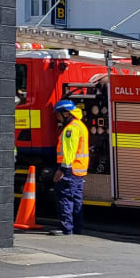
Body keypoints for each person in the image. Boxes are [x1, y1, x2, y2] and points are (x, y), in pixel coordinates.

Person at [49, 100, 89, 236]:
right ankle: (76, 228)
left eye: (58, 115)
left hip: (69, 170)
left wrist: (62, 170)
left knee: (64, 198)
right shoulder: (80, 125)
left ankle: (66, 228)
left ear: (66, 113)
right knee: (76, 200)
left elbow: (69, 152)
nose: (57, 117)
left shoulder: (70, 129)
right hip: (79, 170)